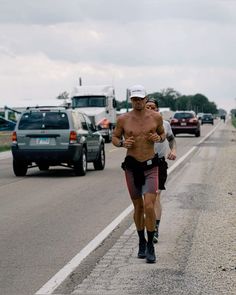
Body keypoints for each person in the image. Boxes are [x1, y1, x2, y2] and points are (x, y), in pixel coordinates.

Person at [112, 85, 165, 263]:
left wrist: (159, 138)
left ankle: (150, 246)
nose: (138, 102)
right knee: (138, 207)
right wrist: (122, 143)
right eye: (134, 99)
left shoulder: (156, 117)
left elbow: (163, 134)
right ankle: (141, 241)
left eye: (140, 99)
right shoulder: (123, 119)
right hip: (132, 167)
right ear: (131, 100)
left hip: (151, 166)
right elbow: (114, 138)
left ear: (145, 98)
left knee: (149, 206)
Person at [146, 98, 177, 243]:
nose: (150, 109)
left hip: (158, 163)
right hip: (142, 164)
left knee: (156, 195)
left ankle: (155, 229)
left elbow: (171, 139)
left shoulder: (165, 124)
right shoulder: (138, 124)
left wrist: (173, 150)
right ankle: (147, 226)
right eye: (148, 107)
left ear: (157, 110)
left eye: (153, 107)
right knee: (146, 198)